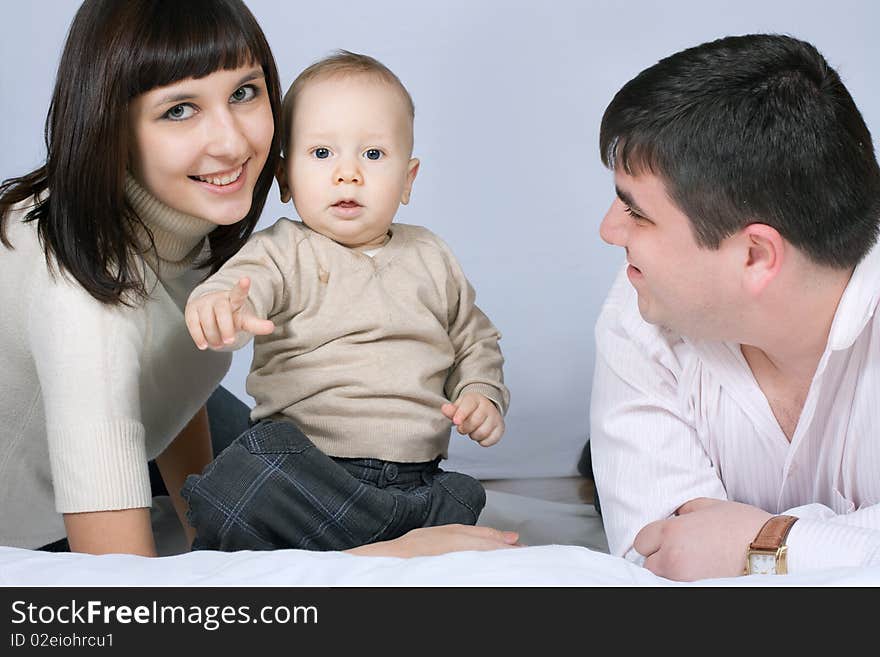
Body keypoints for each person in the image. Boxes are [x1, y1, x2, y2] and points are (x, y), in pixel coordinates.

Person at [0, 0, 518, 559]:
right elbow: (127, 598)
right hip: (26, 513)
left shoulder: (187, 214)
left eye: (244, 92)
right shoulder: (80, 306)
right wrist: (382, 561)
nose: (232, 142)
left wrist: (205, 543)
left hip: (140, 421)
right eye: (179, 109)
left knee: (282, 462)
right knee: (263, 474)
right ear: (110, 125)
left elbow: (173, 377)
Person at [180, 51, 510, 552]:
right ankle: (381, 544)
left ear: (408, 180)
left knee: (463, 497)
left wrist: (482, 393)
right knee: (249, 468)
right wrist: (224, 305)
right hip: (310, 468)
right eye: (321, 154)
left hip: (413, 478)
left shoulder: (431, 255)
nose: (348, 174)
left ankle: (369, 535)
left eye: (373, 155)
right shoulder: (282, 249)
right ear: (286, 180)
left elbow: (474, 340)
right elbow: (244, 283)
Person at [590, 33, 880, 580]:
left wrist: (767, 542)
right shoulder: (641, 310)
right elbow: (664, 561)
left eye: (639, 214)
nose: (608, 230)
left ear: (754, 255)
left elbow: (715, 559)